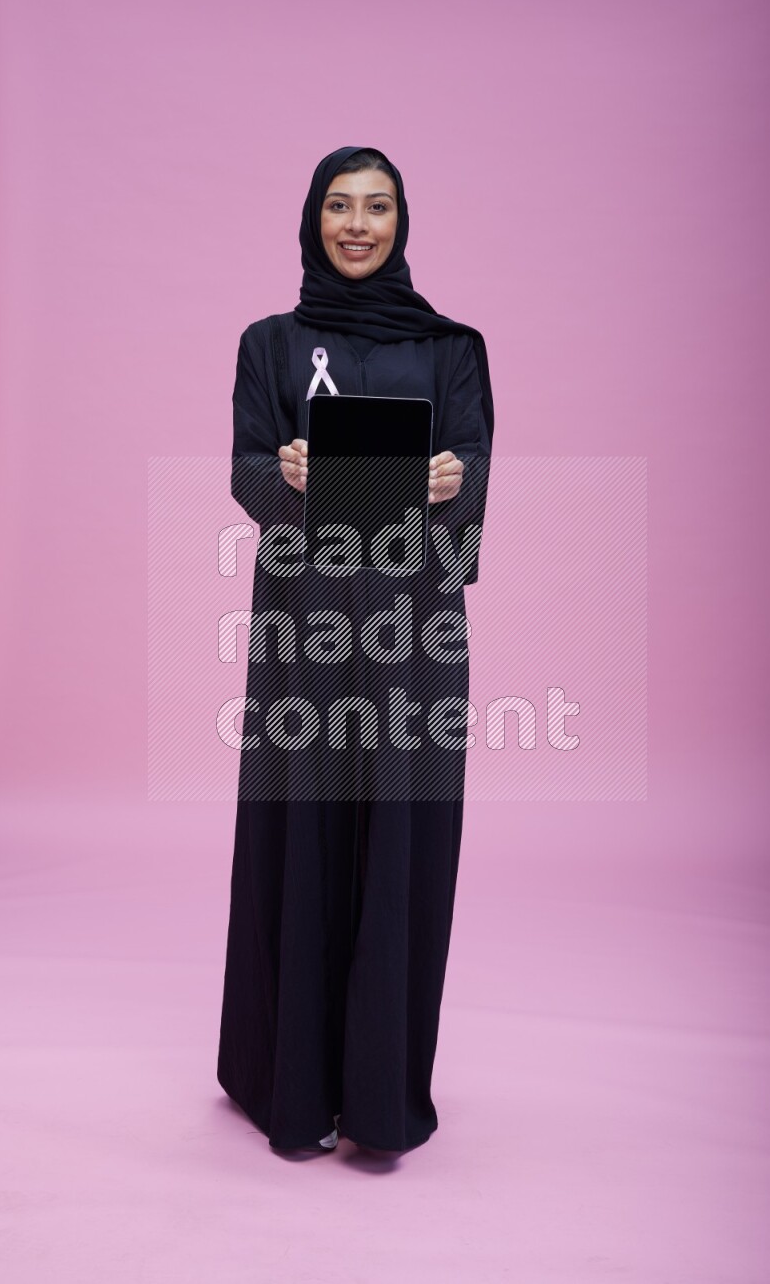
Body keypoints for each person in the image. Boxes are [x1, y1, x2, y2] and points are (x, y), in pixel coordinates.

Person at [216, 145, 495, 1155]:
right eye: (339, 205)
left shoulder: (452, 349)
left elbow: (468, 510)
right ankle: (284, 1084)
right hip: (304, 628)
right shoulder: (269, 343)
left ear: (401, 222)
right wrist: (281, 468)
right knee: (299, 831)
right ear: (312, 218)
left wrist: (449, 483)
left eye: (376, 207)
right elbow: (246, 471)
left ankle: (379, 1095)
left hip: (412, 633)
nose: (357, 224)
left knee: (399, 841)